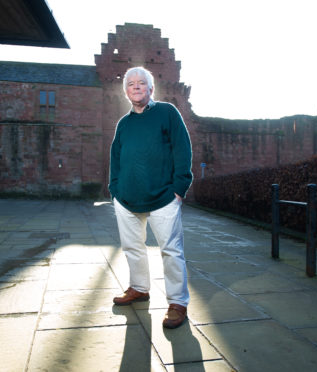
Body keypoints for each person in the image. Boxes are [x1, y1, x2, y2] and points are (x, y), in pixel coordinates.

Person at [109, 66, 193, 329]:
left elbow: (182, 148)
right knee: (133, 248)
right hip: (126, 199)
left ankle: (177, 302)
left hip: (163, 197)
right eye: (131, 83)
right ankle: (139, 288)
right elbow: (115, 157)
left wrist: (179, 188)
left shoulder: (167, 113)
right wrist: (115, 188)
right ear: (126, 91)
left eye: (141, 83)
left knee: (171, 251)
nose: (136, 86)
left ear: (150, 88)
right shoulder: (123, 124)